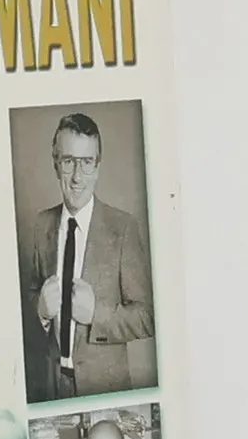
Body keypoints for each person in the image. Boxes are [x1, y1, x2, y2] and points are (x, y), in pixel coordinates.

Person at [23, 112, 156, 401]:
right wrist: (40, 312)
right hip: (49, 388)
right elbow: (29, 301)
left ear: (97, 167)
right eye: (68, 161)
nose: (77, 176)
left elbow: (148, 316)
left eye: (86, 162)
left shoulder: (123, 228)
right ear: (56, 164)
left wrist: (96, 314)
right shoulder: (40, 225)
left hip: (104, 389)